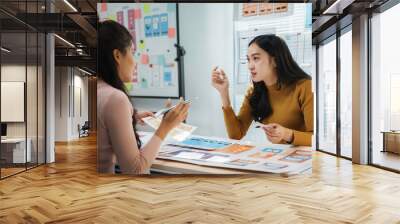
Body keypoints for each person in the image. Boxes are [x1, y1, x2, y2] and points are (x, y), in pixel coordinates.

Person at [97, 20, 190, 174]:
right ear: (117, 55)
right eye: (132, 53)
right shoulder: (115, 99)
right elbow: (135, 170)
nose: (135, 62)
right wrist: (164, 128)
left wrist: (130, 117)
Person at [211, 34, 313, 146]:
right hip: (279, 156)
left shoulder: (305, 86)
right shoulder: (254, 91)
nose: (250, 66)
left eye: (256, 58)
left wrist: (287, 134)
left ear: (275, 61)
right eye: (248, 59)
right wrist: (224, 93)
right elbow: (236, 135)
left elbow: (316, 140)